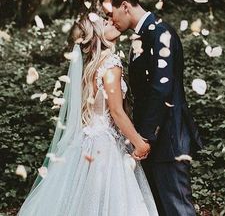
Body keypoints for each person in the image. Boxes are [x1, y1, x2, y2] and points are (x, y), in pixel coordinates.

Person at [17, 14, 158, 216]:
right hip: (105, 146)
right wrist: (140, 143)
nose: (111, 21)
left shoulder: (90, 66)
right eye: (105, 22)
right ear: (98, 35)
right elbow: (117, 112)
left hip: (86, 141)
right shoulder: (110, 65)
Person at [101, 0, 203, 216]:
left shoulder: (161, 34)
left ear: (125, 6)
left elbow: (161, 89)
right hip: (150, 140)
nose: (110, 20)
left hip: (167, 138)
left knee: (177, 209)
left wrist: (143, 138)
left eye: (110, 14)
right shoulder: (141, 36)